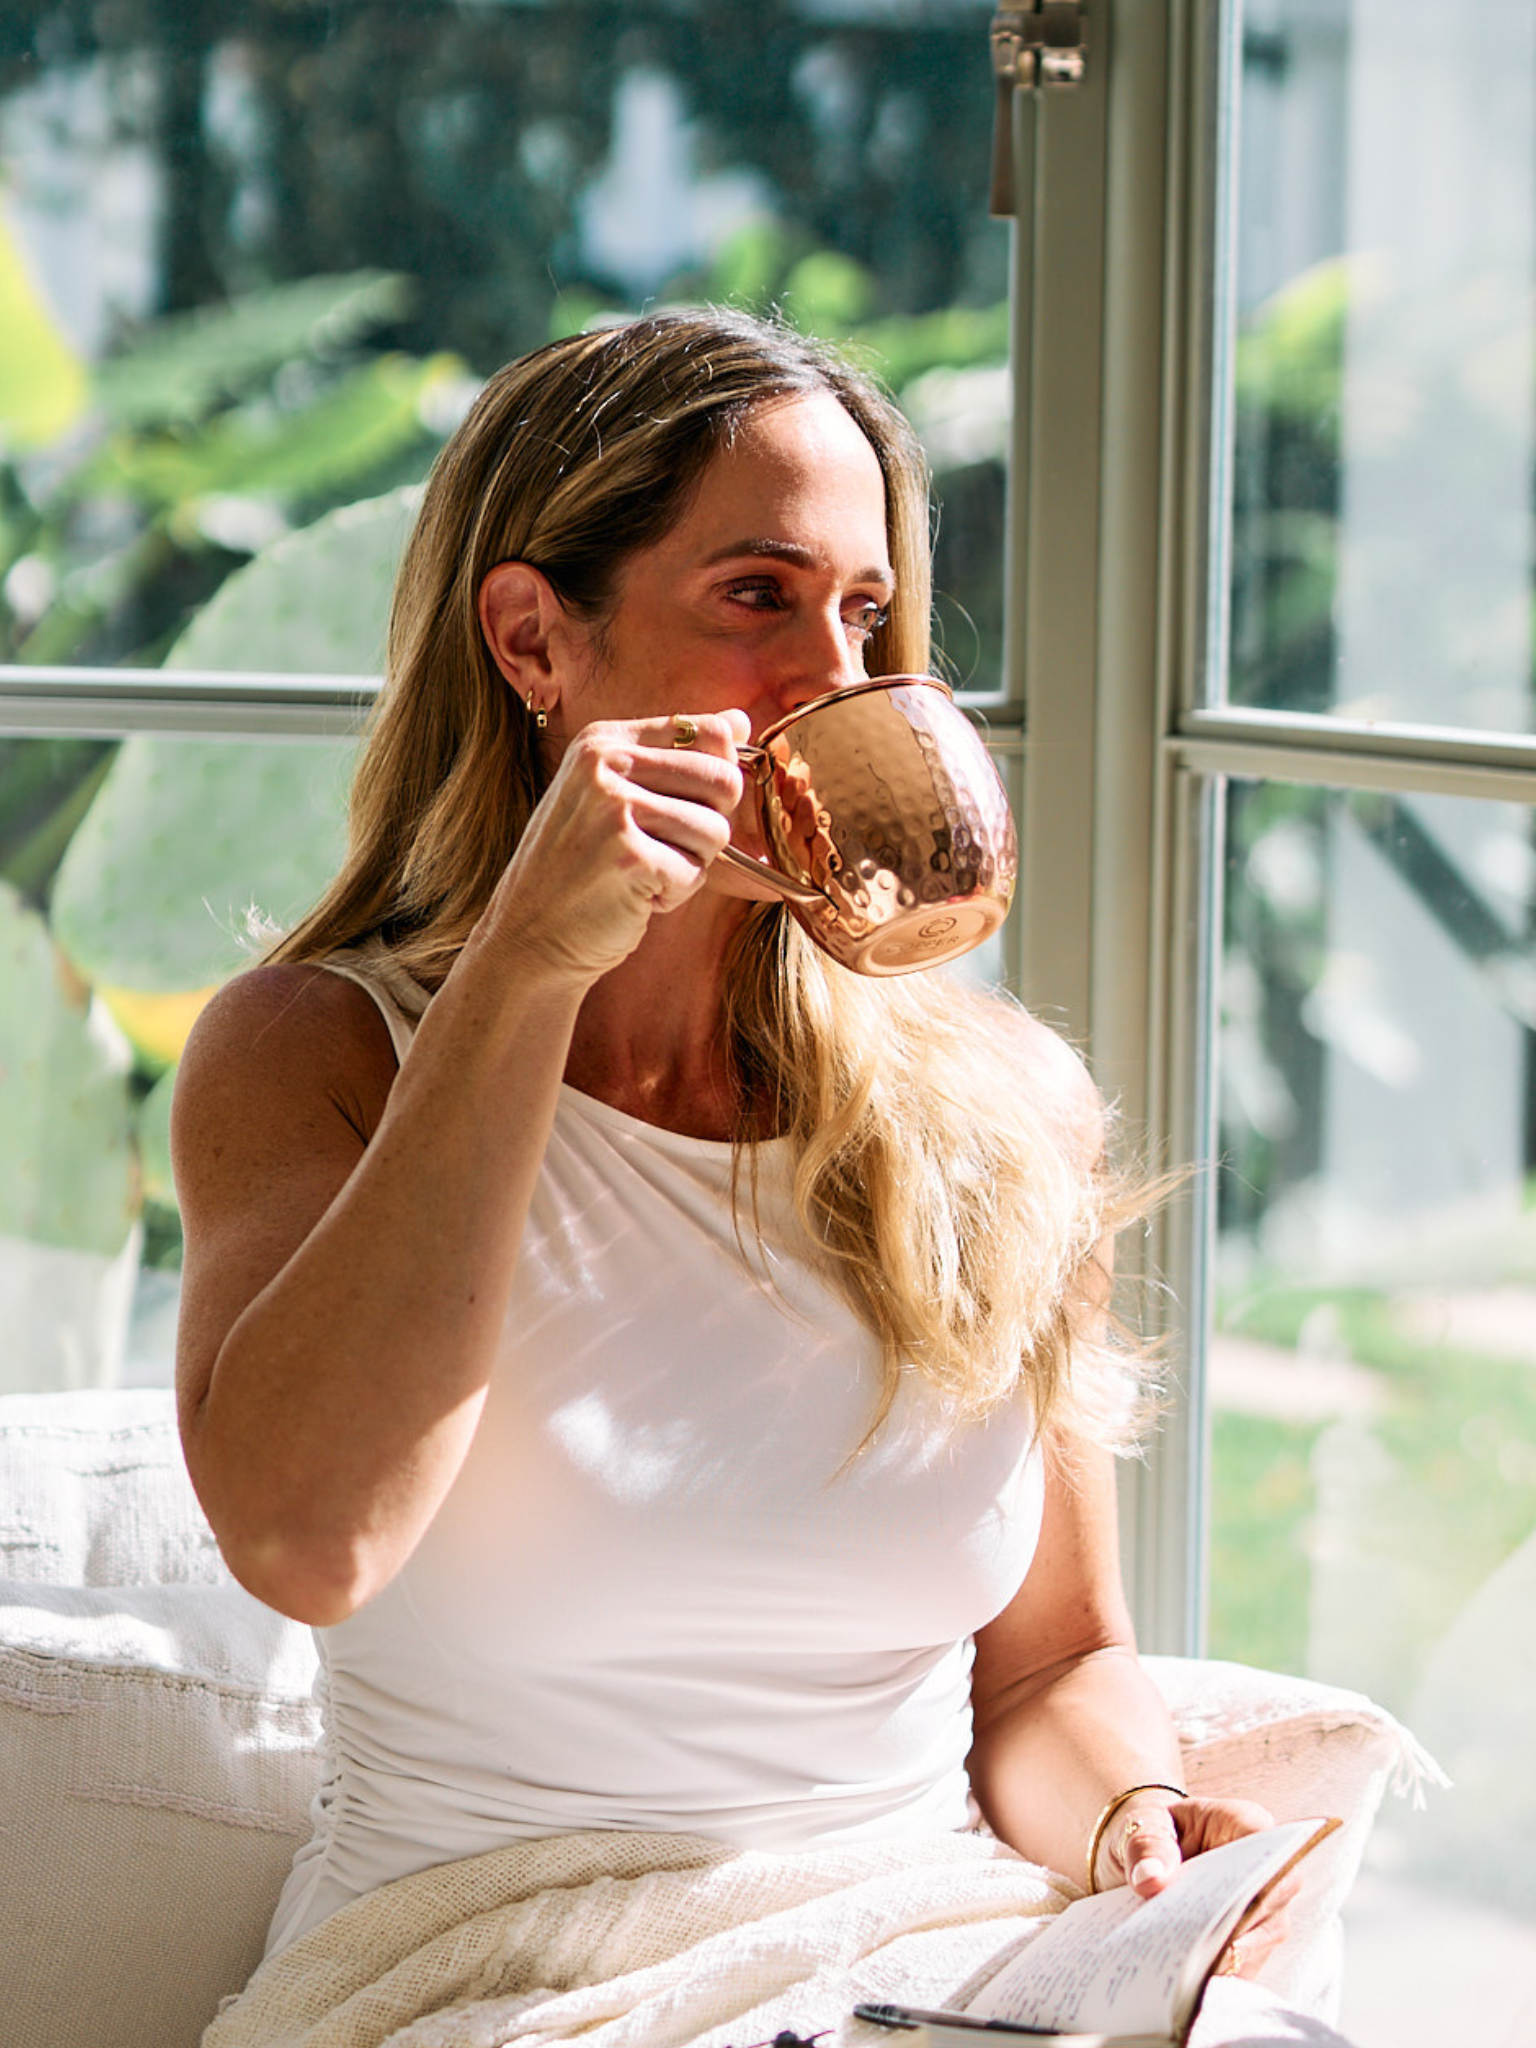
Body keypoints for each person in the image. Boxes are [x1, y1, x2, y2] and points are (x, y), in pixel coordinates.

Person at [171, 308, 1294, 1997]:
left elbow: (1049, 1668)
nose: (831, 680)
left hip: (905, 1960)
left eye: (867, 616)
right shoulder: (317, 1054)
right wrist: (526, 970)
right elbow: (309, 1544)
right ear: (534, 642)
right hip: (486, 1978)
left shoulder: (1000, 1114)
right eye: (759, 596)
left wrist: (1134, 1817)